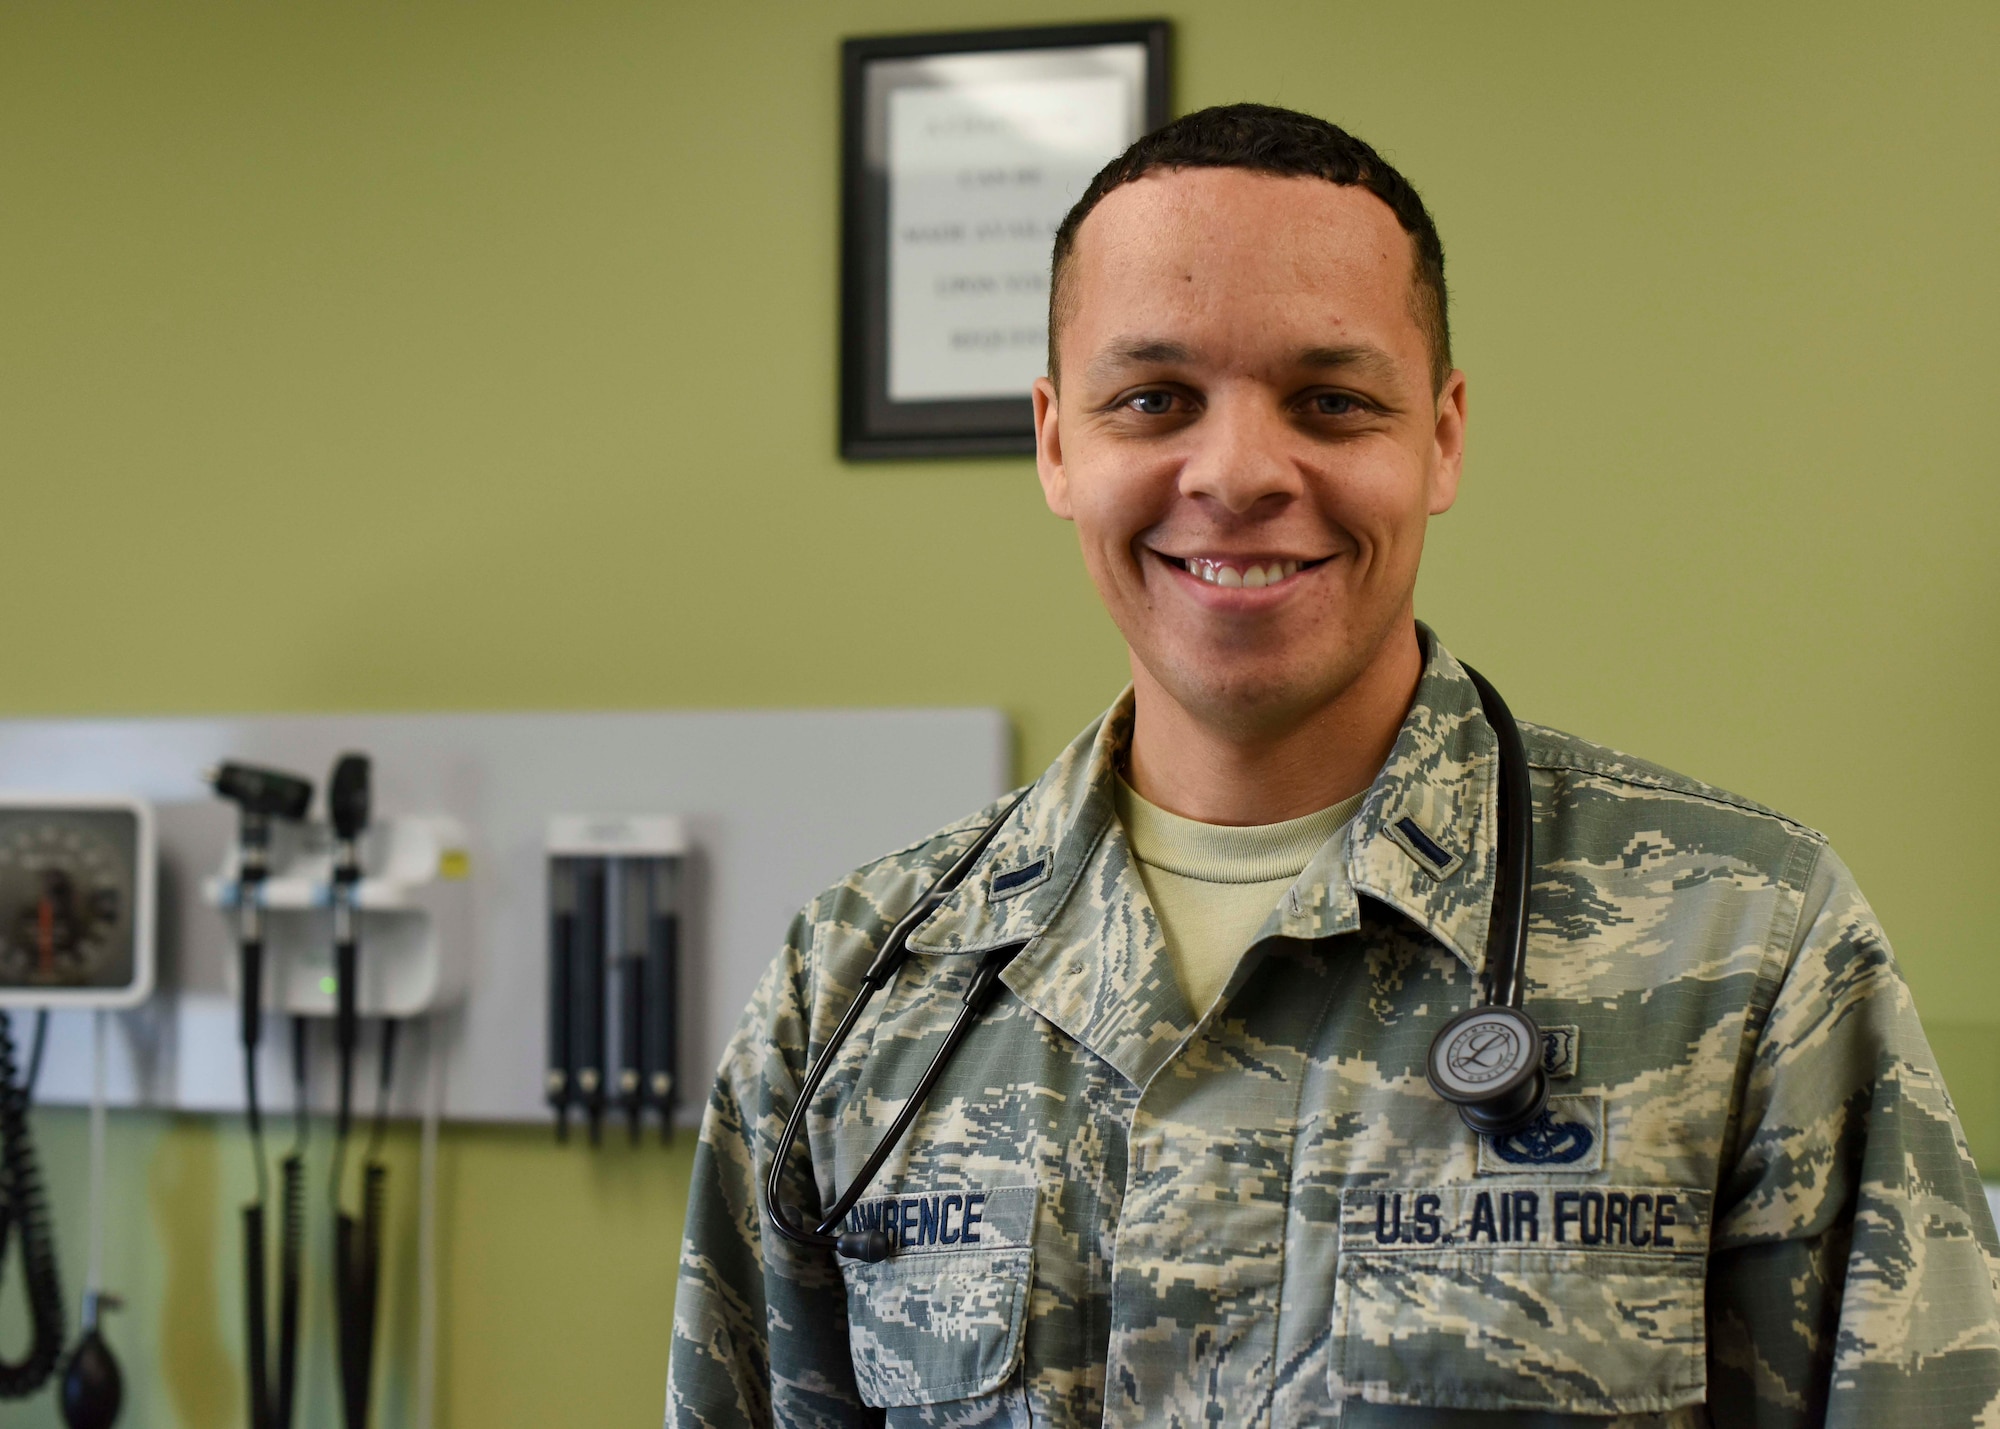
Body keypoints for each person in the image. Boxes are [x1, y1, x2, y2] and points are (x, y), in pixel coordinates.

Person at [665, 104, 2000, 1428]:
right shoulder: (852, 996)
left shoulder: (1752, 950)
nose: (1239, 471)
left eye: (1330, 400)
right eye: (1154, 398)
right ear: (1057, 439)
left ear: (1442, 437)